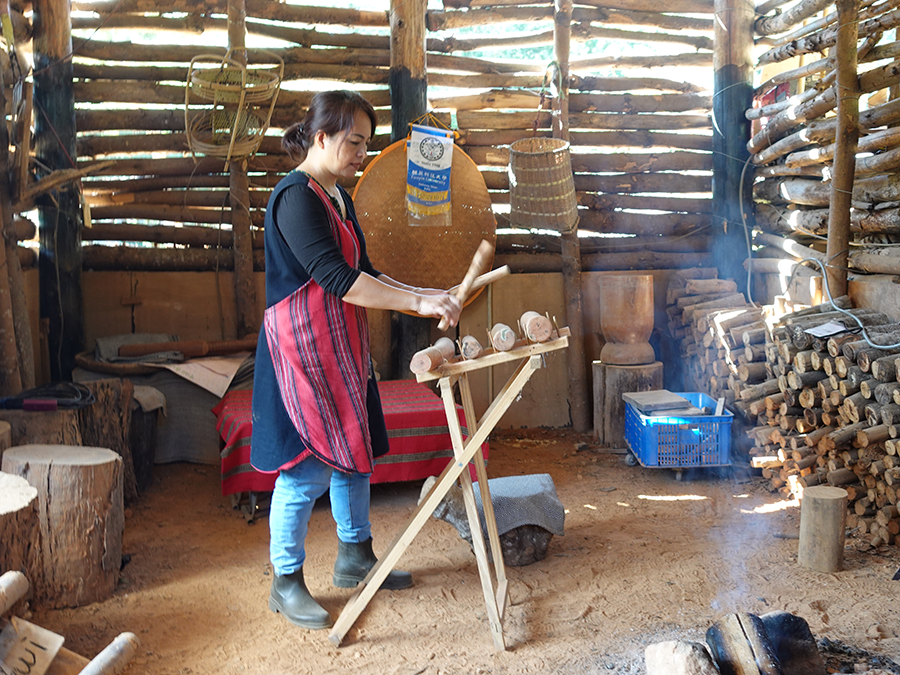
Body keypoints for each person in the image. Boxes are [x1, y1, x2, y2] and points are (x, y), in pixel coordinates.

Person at [251, 90, 462, 630]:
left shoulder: (337, 197)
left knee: (354, 449)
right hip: (301, 352)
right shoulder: (295, 197)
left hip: (340, 348)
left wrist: (427, 293)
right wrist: (416, 301)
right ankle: (286, 580)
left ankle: (355, 557)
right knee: (305, 469)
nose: (362, 153)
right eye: (354, 142)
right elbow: (339, 280)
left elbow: (367, 269)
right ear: (321, 137)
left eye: (366, 143)